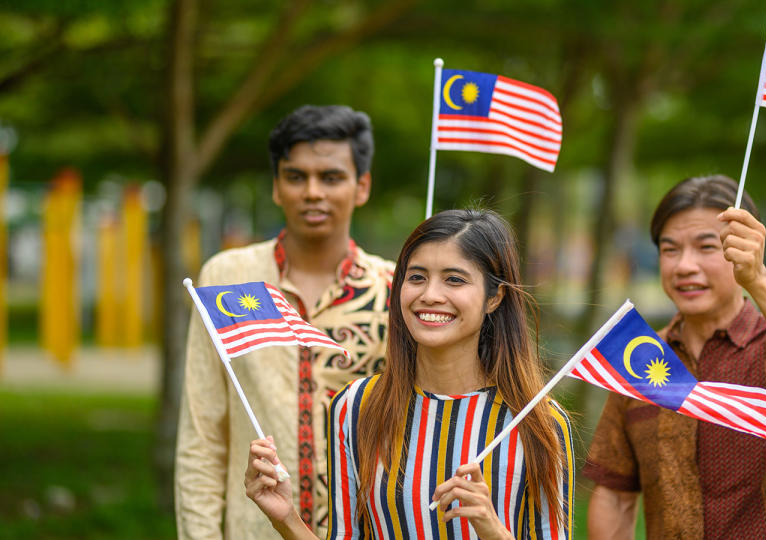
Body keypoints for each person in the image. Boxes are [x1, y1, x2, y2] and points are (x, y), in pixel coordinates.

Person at [244, 209, 575, 539]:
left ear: (494, 297)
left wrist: (492, 530)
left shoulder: (538, 421)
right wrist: (286, 518)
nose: (429, 295)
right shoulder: (354, 408)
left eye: (454, 279)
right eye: (416, 277)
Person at [583, 175, 766, 539]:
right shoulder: (640, 357)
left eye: (706, 247)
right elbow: (615, 497)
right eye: (670, 249)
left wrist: (758, 278)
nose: (684, 266)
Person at [175, 105, 395, 540]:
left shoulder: (396, 288)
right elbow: (202, 435)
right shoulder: (229, 279)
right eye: (296, 177)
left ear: (362, 186)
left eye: (331, 177)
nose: (313, 192)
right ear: (277, 187)